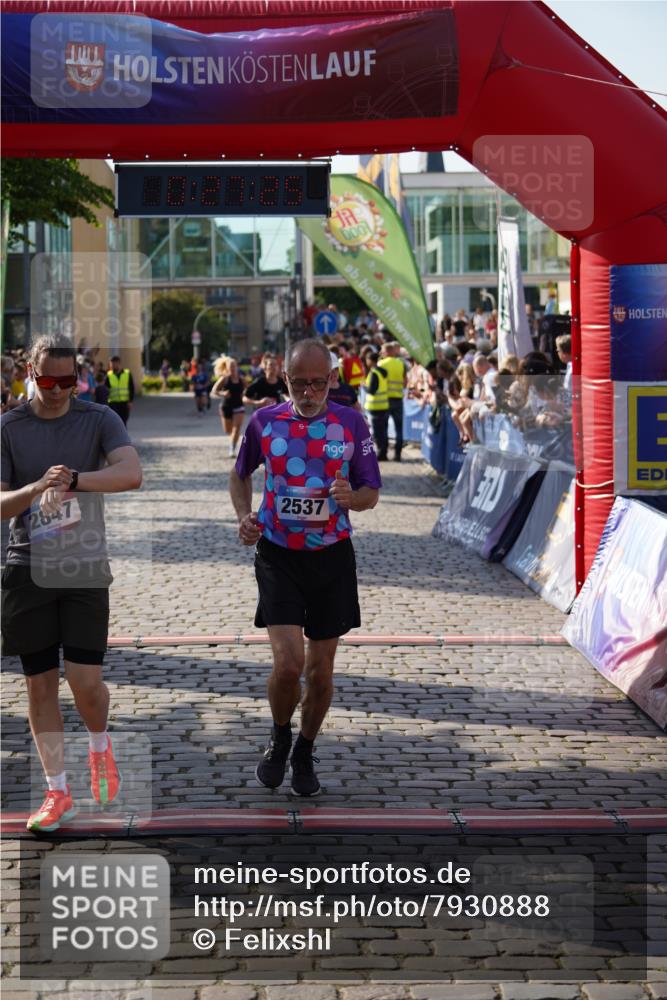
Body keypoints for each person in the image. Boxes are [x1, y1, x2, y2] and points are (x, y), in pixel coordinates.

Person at [1, 333, 143, 833]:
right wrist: (36, 487)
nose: (58, 389)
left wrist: (74, 481)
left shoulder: (98, 418)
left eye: (68, 380)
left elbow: (131, 474)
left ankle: (100, 745)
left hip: (83, 567)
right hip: (27, 567)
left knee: (85, 685)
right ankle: (57, 791)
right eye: (48, 380)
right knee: (39, 685)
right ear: (30, 375)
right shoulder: (9, 427)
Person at [229, 339, 381, 797]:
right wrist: (243, 517)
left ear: (333, 379)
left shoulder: (352, 423)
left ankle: (304, 748)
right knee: (289, 663)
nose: (309, 391)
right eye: (300, 383)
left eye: (318, 382)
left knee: (320, 672)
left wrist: (351, 499)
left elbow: (371, 491)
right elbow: (240, 474)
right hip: (279, 554)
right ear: (285, 380)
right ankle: (279, 736)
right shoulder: (265, 421)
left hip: (332, 557)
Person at [211, 357, 247, 456]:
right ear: (227, 368)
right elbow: (214, 391)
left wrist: (245, 394)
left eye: (234, 366)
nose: (232, 368)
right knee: (228, 430)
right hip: (226, 406)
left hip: (239, 406)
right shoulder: (224, 379)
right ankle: (233, 440)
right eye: (230, 366)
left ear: (237, 367)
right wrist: (223, 394)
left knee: (237, 428)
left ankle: (232, 448)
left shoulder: (242, 379)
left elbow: (248, 390)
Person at [379, 341, 407, 461]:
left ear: (387, 352)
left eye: (383, 351)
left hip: (385, 400)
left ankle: (383, 453)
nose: (381, 353)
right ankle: (398, 455)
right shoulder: (401, 364)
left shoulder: (381, 364)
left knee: (384, 428)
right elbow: (405, 381)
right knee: (398, 428)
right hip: (398, 398)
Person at [361, 347, 389, 461]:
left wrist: (364, 386)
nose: (366, 362)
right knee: (383, 431)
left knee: (377, 432)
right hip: (384, 406)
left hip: (375, 407)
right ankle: (384, 452)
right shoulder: (382, 372)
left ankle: (381, 454)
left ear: (371, 361)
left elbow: (372, 390)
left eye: (367, 360)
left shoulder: (374, 373)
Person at [105, 356, 135, 425]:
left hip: (125, 403)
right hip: (113, 403)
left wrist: (130, 401)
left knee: (124, 421)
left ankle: (123, 435)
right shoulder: (109, 375)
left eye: (113, 364)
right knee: (114, 422)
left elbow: (131, 388)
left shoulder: (127, 373)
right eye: (110, 364)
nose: (111, 366)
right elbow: (106, 389)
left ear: (118, 363)